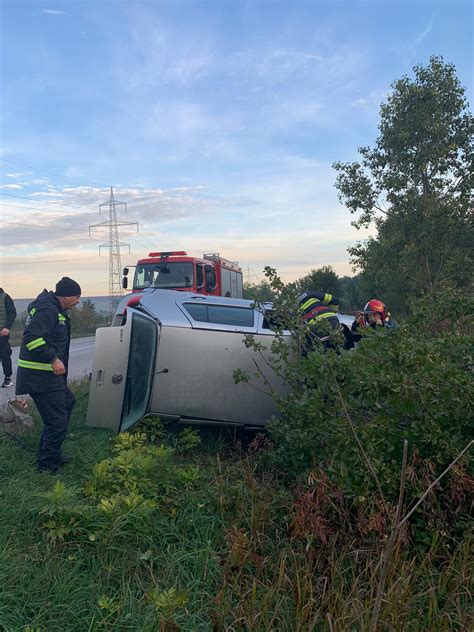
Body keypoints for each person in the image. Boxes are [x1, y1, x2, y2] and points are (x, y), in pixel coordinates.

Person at [15, 277, 81, 473]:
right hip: (39, 377)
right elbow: (31, 338)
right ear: (66, 296)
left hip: (49, 377)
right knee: (57, 423)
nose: (78, 301)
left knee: (68, 403)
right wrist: (53, 359)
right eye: (76, 297)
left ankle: (52, 452)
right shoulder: (48, 309)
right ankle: (46, 467)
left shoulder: (55, 309)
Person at [0, 287, 17, 388]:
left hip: (2, 333)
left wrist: (7, 327)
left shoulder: (5, 297)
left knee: (4, 354)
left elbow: (12, 313)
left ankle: (7, 378)